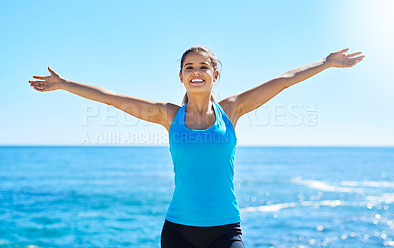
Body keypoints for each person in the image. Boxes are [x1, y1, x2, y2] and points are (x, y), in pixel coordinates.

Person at [29, 45, 365, 248]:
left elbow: (284, 80)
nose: (196, 71)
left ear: (215, 74)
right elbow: (113, 100)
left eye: (203, 66)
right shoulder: (167, 115)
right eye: (189, 67)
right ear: (181, 77)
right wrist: (64, 84)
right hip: (178, 230)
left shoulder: (232, 110)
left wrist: (325, 63)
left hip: (225, 230)